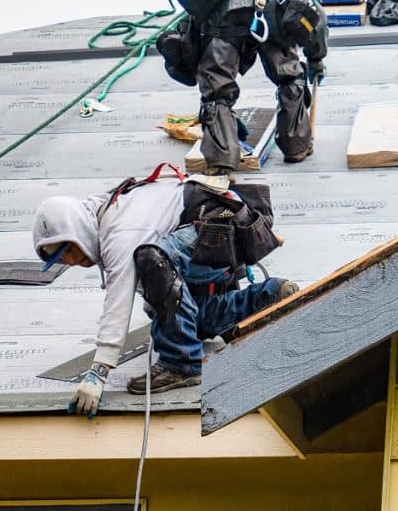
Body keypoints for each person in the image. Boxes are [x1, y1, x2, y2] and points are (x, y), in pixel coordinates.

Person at [31, 168, 298, 417]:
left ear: (77, 229)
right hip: (218, 235)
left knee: (149, 260)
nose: (71, 261)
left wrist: (99, 372)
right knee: (191, 322)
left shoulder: (119, 231)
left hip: (219, 229)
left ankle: (181, 362)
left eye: (68, 250)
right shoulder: (103, 212)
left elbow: (118, 300)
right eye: (61, 260)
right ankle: (268, 297)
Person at [168, 0, 328, 175]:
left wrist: (219, 111)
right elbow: (316, 23)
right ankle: (296, 146)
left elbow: (188, 44)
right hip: (270, 17)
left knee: (216, 93)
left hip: (223, 25)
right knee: (290, 77)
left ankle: (220, 161)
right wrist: (316, 60)